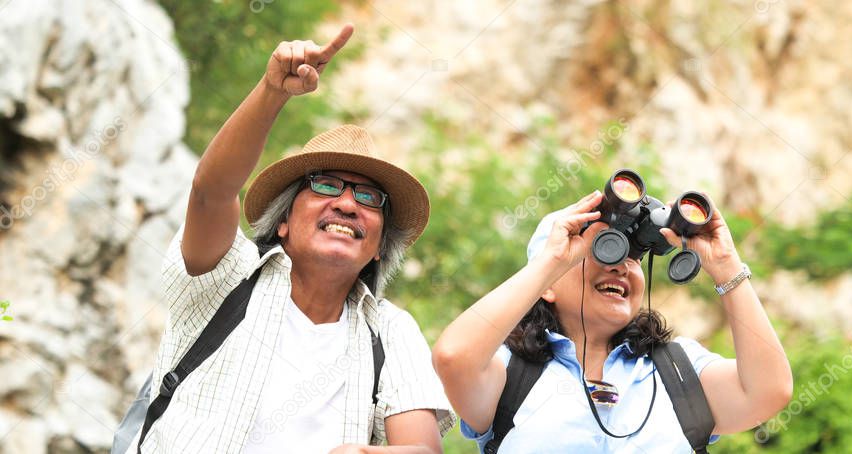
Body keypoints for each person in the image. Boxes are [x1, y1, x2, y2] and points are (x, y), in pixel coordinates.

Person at [131, 24, 454, 453]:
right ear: (282, 221)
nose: (346, 203)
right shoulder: (227, 277)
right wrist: (272, 90)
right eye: (324, 185)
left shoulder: (391, 331)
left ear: (378, 247)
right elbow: (212, 190)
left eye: (368, 197)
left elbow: (421, 450)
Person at [432, 191, 793, 452]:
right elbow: (453, 357)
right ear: (548, 283)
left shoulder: (678, 370)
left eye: (633, 256)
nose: (620, 265)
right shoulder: (512, 373)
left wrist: (726, 266)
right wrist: (551, 261)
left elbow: (767, 392)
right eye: (603, 249)